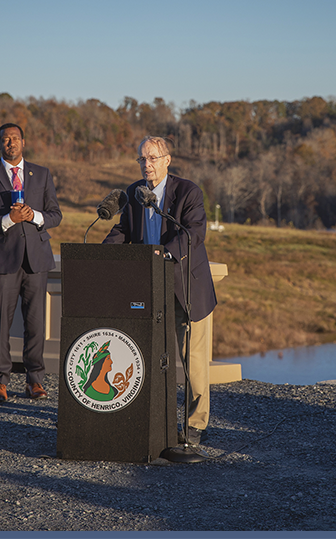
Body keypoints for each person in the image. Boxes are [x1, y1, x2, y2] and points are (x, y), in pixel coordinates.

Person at [103, 136, 217, 445]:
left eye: (152, 158)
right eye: (141, 159)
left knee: (193, 363)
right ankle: (158, 422)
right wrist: (99, 256)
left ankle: (194, 426)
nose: (146, 164)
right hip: (152, 289)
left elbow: (194, 233)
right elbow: (123, 231)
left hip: (187, 288)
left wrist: (163, 254)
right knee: (153, 358)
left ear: (167, 160)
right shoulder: (133, 193)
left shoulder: (187, 191)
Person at [0, 123, 62, 402]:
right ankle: (0, 381)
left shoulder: (42, 174)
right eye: (5, 139)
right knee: (0, 324)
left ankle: (35, 381)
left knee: (35, 324)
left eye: (15, 138)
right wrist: (8, 220)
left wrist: (32, 216)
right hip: (3, 260)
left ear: (24, 142)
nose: (10, 143)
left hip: (36, 260)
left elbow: (55, 215)